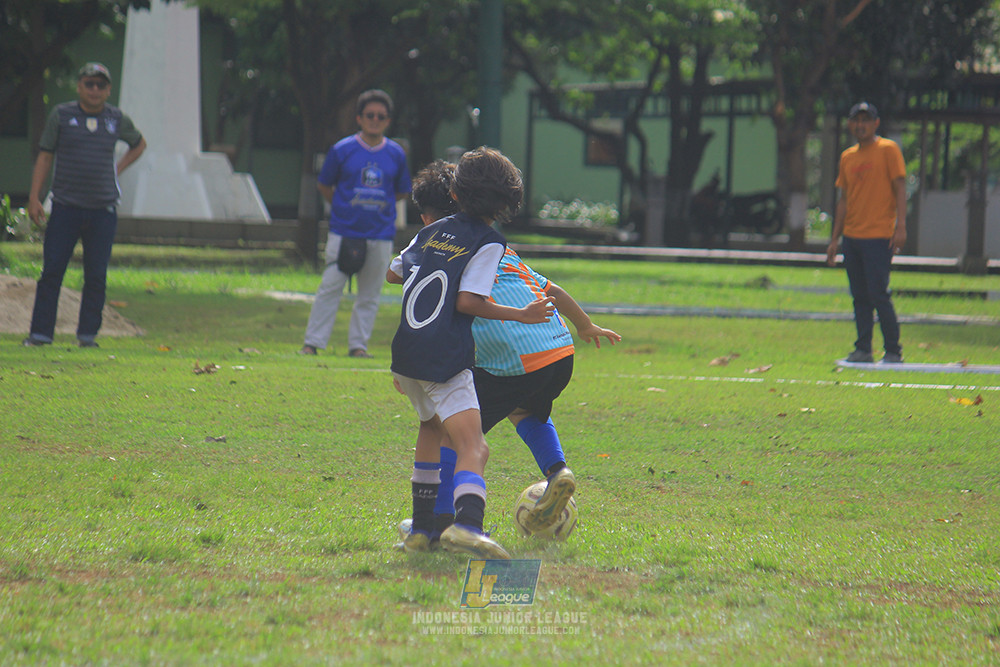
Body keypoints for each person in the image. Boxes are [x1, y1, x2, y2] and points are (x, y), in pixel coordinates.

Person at [396, 160, 621, 548]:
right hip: (557, 350)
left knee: (454, 437)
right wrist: (584, 326)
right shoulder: (504, 248)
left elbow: (455, 297)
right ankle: (557, 471)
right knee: (525, 410)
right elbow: (550, 288)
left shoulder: (454, 245)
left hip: (511, 355)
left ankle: (441, 521)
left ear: (445, 208)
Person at [387, 148, 555, 559]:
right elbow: (468, 301)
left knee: (430, 430)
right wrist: (523, 314)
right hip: (445, 356)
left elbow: (395, 271)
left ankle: (422, 530)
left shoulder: (430, 230)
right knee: (474, 446)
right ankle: (466, 527)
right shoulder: (488, 241)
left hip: (407, 351)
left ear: (456, 195)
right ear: (506, 205)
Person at [22, 62, 146, 348]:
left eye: (100, 85)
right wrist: (34, 197)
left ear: (108, 90)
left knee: (96, 275)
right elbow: (45, 155)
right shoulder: (62, 115)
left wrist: (118, 167)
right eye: (89, 84)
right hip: (66, 205)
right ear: (79, 86)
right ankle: (40, 334)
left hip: (103, 209)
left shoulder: (116, 119)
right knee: (52, 270)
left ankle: (88, 336)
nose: (94, 90)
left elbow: (138, 144)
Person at [300, 89, 411, 358]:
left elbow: (400, 191)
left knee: (370, 294)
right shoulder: (342, 150)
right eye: (370, 115)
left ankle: (358, 346)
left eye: (381, 116)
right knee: (330, 287)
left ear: (388, 121)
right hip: (344, 231)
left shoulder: (396, 154)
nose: (375, 120)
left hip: (380, 233)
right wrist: (343, 206)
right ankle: (312, 343)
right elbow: (325, 185)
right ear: (359, 118)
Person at [827, 102, 907, 364]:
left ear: (876, 123)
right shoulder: (848, 157)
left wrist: (901, 226)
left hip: (878, 235)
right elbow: (843, 200)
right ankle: (863, 349)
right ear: (850, 124)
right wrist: (834, 239)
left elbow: (900, 188)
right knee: (859, 295)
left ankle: (893, 350)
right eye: (856, 120)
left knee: (878, 293)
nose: (860, 125)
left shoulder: (888, 150)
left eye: (865, 120)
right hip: (852, 237)